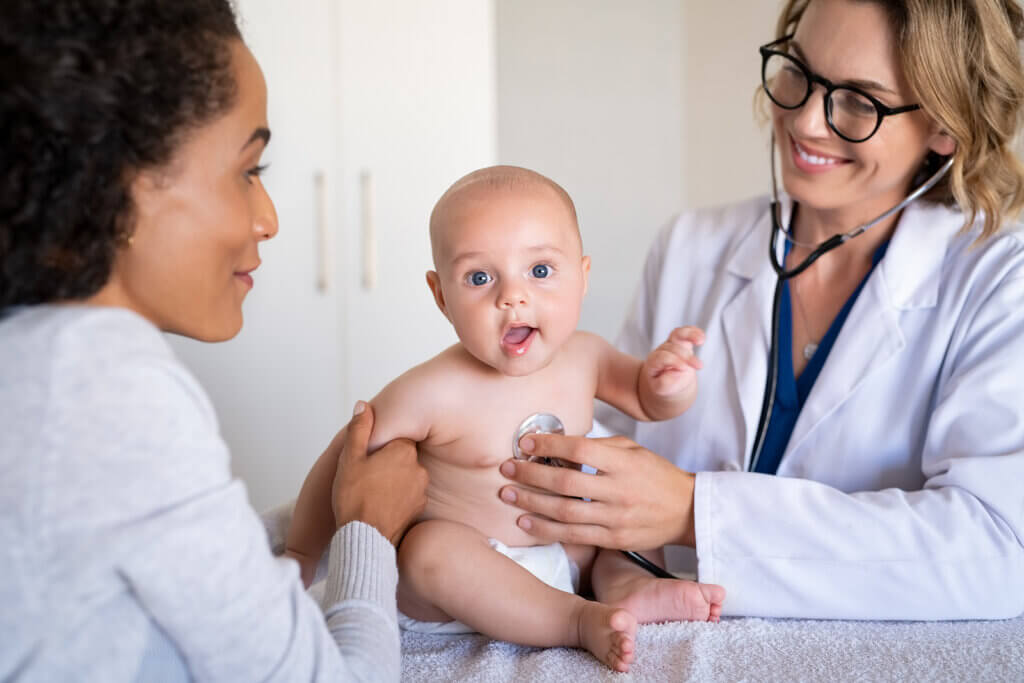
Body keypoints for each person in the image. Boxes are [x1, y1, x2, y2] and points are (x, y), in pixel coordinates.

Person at [497, 0, 1024, 620]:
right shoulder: (690, 247)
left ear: (945, 127)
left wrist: (694, 512)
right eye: (798, 71)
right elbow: (602, 442)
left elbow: (997, 551)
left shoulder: (999, 281)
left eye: (858, 100)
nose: (804, 121)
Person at [0, 1, 427, 680]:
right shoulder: (104, 382)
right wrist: (368, 533)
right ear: (121, 188)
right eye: (248, 171)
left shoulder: (33, 353)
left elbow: (167, 568)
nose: (270, 218)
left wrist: (306, 520)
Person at [284, 166, 725, 672]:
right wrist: (301, 552)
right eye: (479, 277)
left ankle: (628, 585)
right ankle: (576, 620)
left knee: (627, 479)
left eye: (539, 271)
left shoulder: (587, 357)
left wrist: (669, 381)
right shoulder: (432, 390)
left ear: (582, 276)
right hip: (471, 583)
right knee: (428, 552)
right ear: (442, 296)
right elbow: (349, 458)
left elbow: (646, 400)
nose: (511, 297)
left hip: (566, 551)